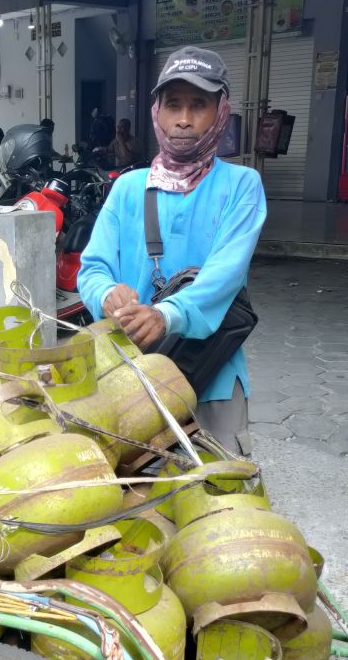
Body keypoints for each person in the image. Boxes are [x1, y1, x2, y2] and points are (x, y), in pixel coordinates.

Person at [77, 46, 266, 456]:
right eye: (173, 104)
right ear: (157, 112)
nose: (184, 119)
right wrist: (107, 294)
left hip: (210, 371)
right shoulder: (129, 188)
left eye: (198, 105)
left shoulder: (241, 186)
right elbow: (93, 268)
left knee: (221, 494)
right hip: (131, 377)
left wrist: (165, 315)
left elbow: (224, 276)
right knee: (134, 497)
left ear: (220, 113)